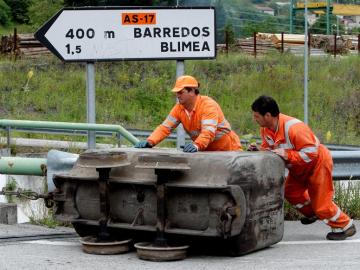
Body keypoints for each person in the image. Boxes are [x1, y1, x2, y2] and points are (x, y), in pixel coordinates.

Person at [249, 95, 356, 240]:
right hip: (299, 167)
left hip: (318, 163)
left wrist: (286, 155)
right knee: (290, 191)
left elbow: (311, 153)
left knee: (322, 203)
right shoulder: (266, 129)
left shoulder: (294, 128)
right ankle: (313, 213)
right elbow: (271, 149)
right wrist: (259, 151)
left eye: (256, 116)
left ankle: (346, 226)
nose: (254, 119)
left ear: (267, 115)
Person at [135, 75, 242, 152]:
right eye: (177, 93)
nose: (178, 95)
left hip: (229, 152)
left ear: (192, 91)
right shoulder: (178, 109)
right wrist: (150, 141)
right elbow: (165, 128)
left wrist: (196, 145)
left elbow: (208, 132)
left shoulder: (208, 105)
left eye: (181, 92)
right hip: (206, 152)